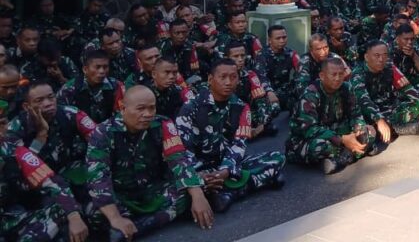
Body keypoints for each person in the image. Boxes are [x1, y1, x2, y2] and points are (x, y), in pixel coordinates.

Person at [85, 85, 214, 239]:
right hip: (122, 196)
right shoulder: (103, 132)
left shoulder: (163, 124)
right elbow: (98, 178)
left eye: (152, 108)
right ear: (123, 108)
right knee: (95, 212)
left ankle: (138, 228)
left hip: (154, 191)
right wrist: (115, 218)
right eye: (140, 109)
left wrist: (198, 196)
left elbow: (178, 159)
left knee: (196, 190)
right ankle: (144, 221)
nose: (147, 114)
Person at [176, 59, 285, 213]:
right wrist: (200, 175)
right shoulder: (191, 107)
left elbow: (239, 145)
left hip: (226, 165)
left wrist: (225, 171)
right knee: (178, 187)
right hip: (199, 169)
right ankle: (249, 184)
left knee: (277, 157)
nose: (228, 82)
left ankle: (229, 194)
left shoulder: (241, 107)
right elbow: (182, 151)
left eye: (233, 77)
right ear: (210, 79)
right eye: (223, 77)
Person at [0, 97, 89, 242]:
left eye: (2, 124)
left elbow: (51, 181)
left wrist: (74, 216)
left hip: (8, 217)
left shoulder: (11, 149)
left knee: (63, 208)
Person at [8, 80, 97, 205]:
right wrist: (41, 135)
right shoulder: (15, 129)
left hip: (70, 169)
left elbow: (99, 141)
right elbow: (24, 168)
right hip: (40, 181)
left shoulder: (70, 113)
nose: (48, 103)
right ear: (27, 106)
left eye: (51, 97)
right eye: (39, 100)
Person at [286, 57, 378, 175]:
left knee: (369, 131)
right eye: (333, 74)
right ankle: (354, 152)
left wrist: (359, 129)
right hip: (306, 138)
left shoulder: (346, 88)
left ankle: (339, 159)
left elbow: (356, 115)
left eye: (341, 74)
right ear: (322, 76)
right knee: (319, 146)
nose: (338, 78)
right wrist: (342, 140)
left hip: (337, 130)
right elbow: (309, 129)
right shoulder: (310, 94)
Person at [351, 41, 419, 139]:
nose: (381, 59)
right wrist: (379, 120)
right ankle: (396, 128)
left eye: (384, 55)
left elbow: (407, 88)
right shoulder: (358, 75)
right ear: (366, 57)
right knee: (368, 131)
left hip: (390, 107)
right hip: (371, 114)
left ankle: (394, 128)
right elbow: (364, 101)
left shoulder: (389, 66)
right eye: (377, 55)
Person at [57, 50, 125, 125]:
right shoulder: (70, 88)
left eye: (105, 67)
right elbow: (60, 114)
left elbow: (122, 113)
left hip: (109, 128)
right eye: (97, 67)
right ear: (85, 69)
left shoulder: (116, 86)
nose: (102, 71)